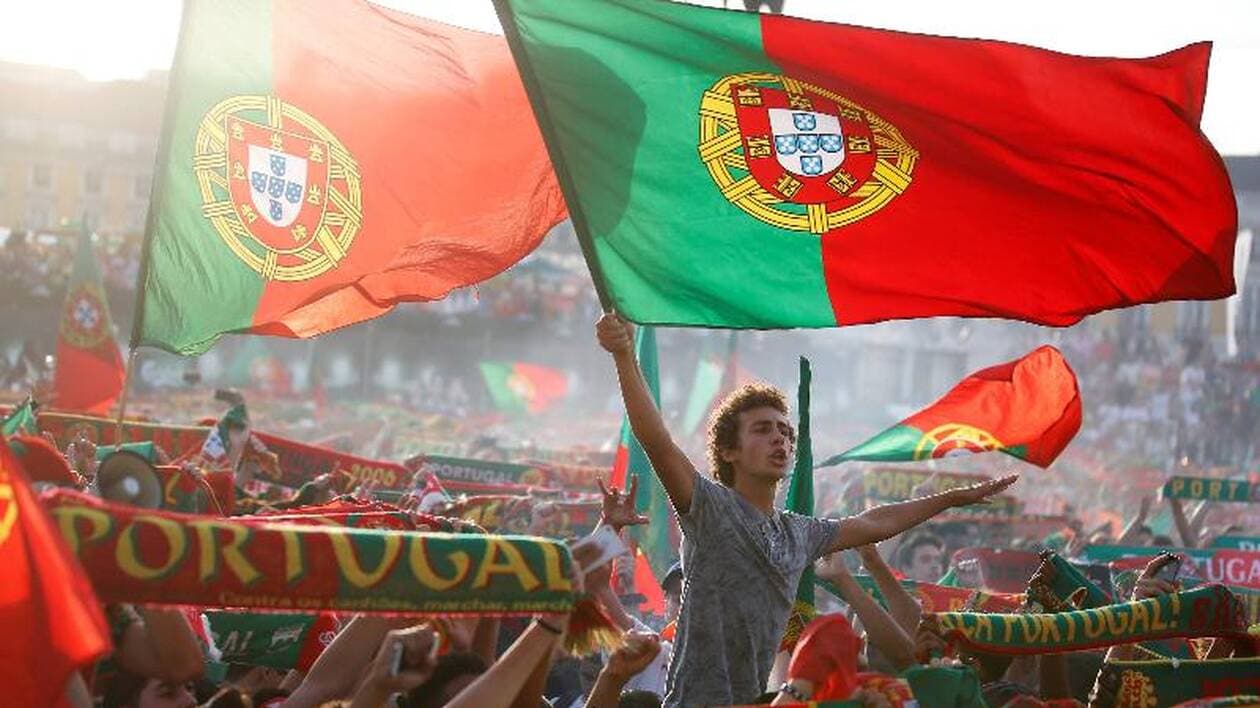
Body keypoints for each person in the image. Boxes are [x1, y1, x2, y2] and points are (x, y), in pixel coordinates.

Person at [596, 313, 1018, 707]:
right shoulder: (710, 508)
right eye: (763, 430)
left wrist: (949, 498)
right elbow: (657, 442)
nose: (780, 440)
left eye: (785, 433)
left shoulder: (798, 533)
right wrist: (623, 357)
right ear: (728, 451)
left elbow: (874, 522)